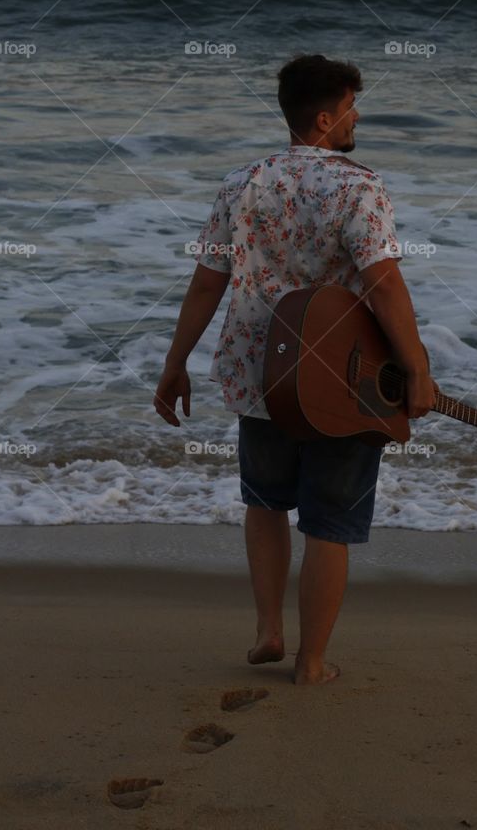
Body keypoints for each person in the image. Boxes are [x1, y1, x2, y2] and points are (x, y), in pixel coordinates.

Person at [153, 53, 434, 685]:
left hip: (261, 377)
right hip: (340, 383)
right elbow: (384, 286)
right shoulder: (359, 186)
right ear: (327, 117)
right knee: (329, 524)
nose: (357, 118)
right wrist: (416, 368)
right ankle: (311, 663)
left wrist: (175, 364)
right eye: (352, 108)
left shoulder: (241, 184)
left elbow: (206, 285)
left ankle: (268, 631)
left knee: (265, 503)